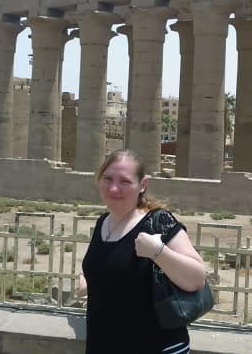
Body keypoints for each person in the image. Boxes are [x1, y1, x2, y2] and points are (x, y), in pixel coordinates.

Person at [77, 149, 206, 353]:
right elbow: (119, 275)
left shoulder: (158, 221)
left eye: (124, 181)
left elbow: (197, 279)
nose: (113, 188)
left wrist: (159, 252)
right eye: (107, 179)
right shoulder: (103, 222)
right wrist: (91, 283)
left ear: (142, 185)